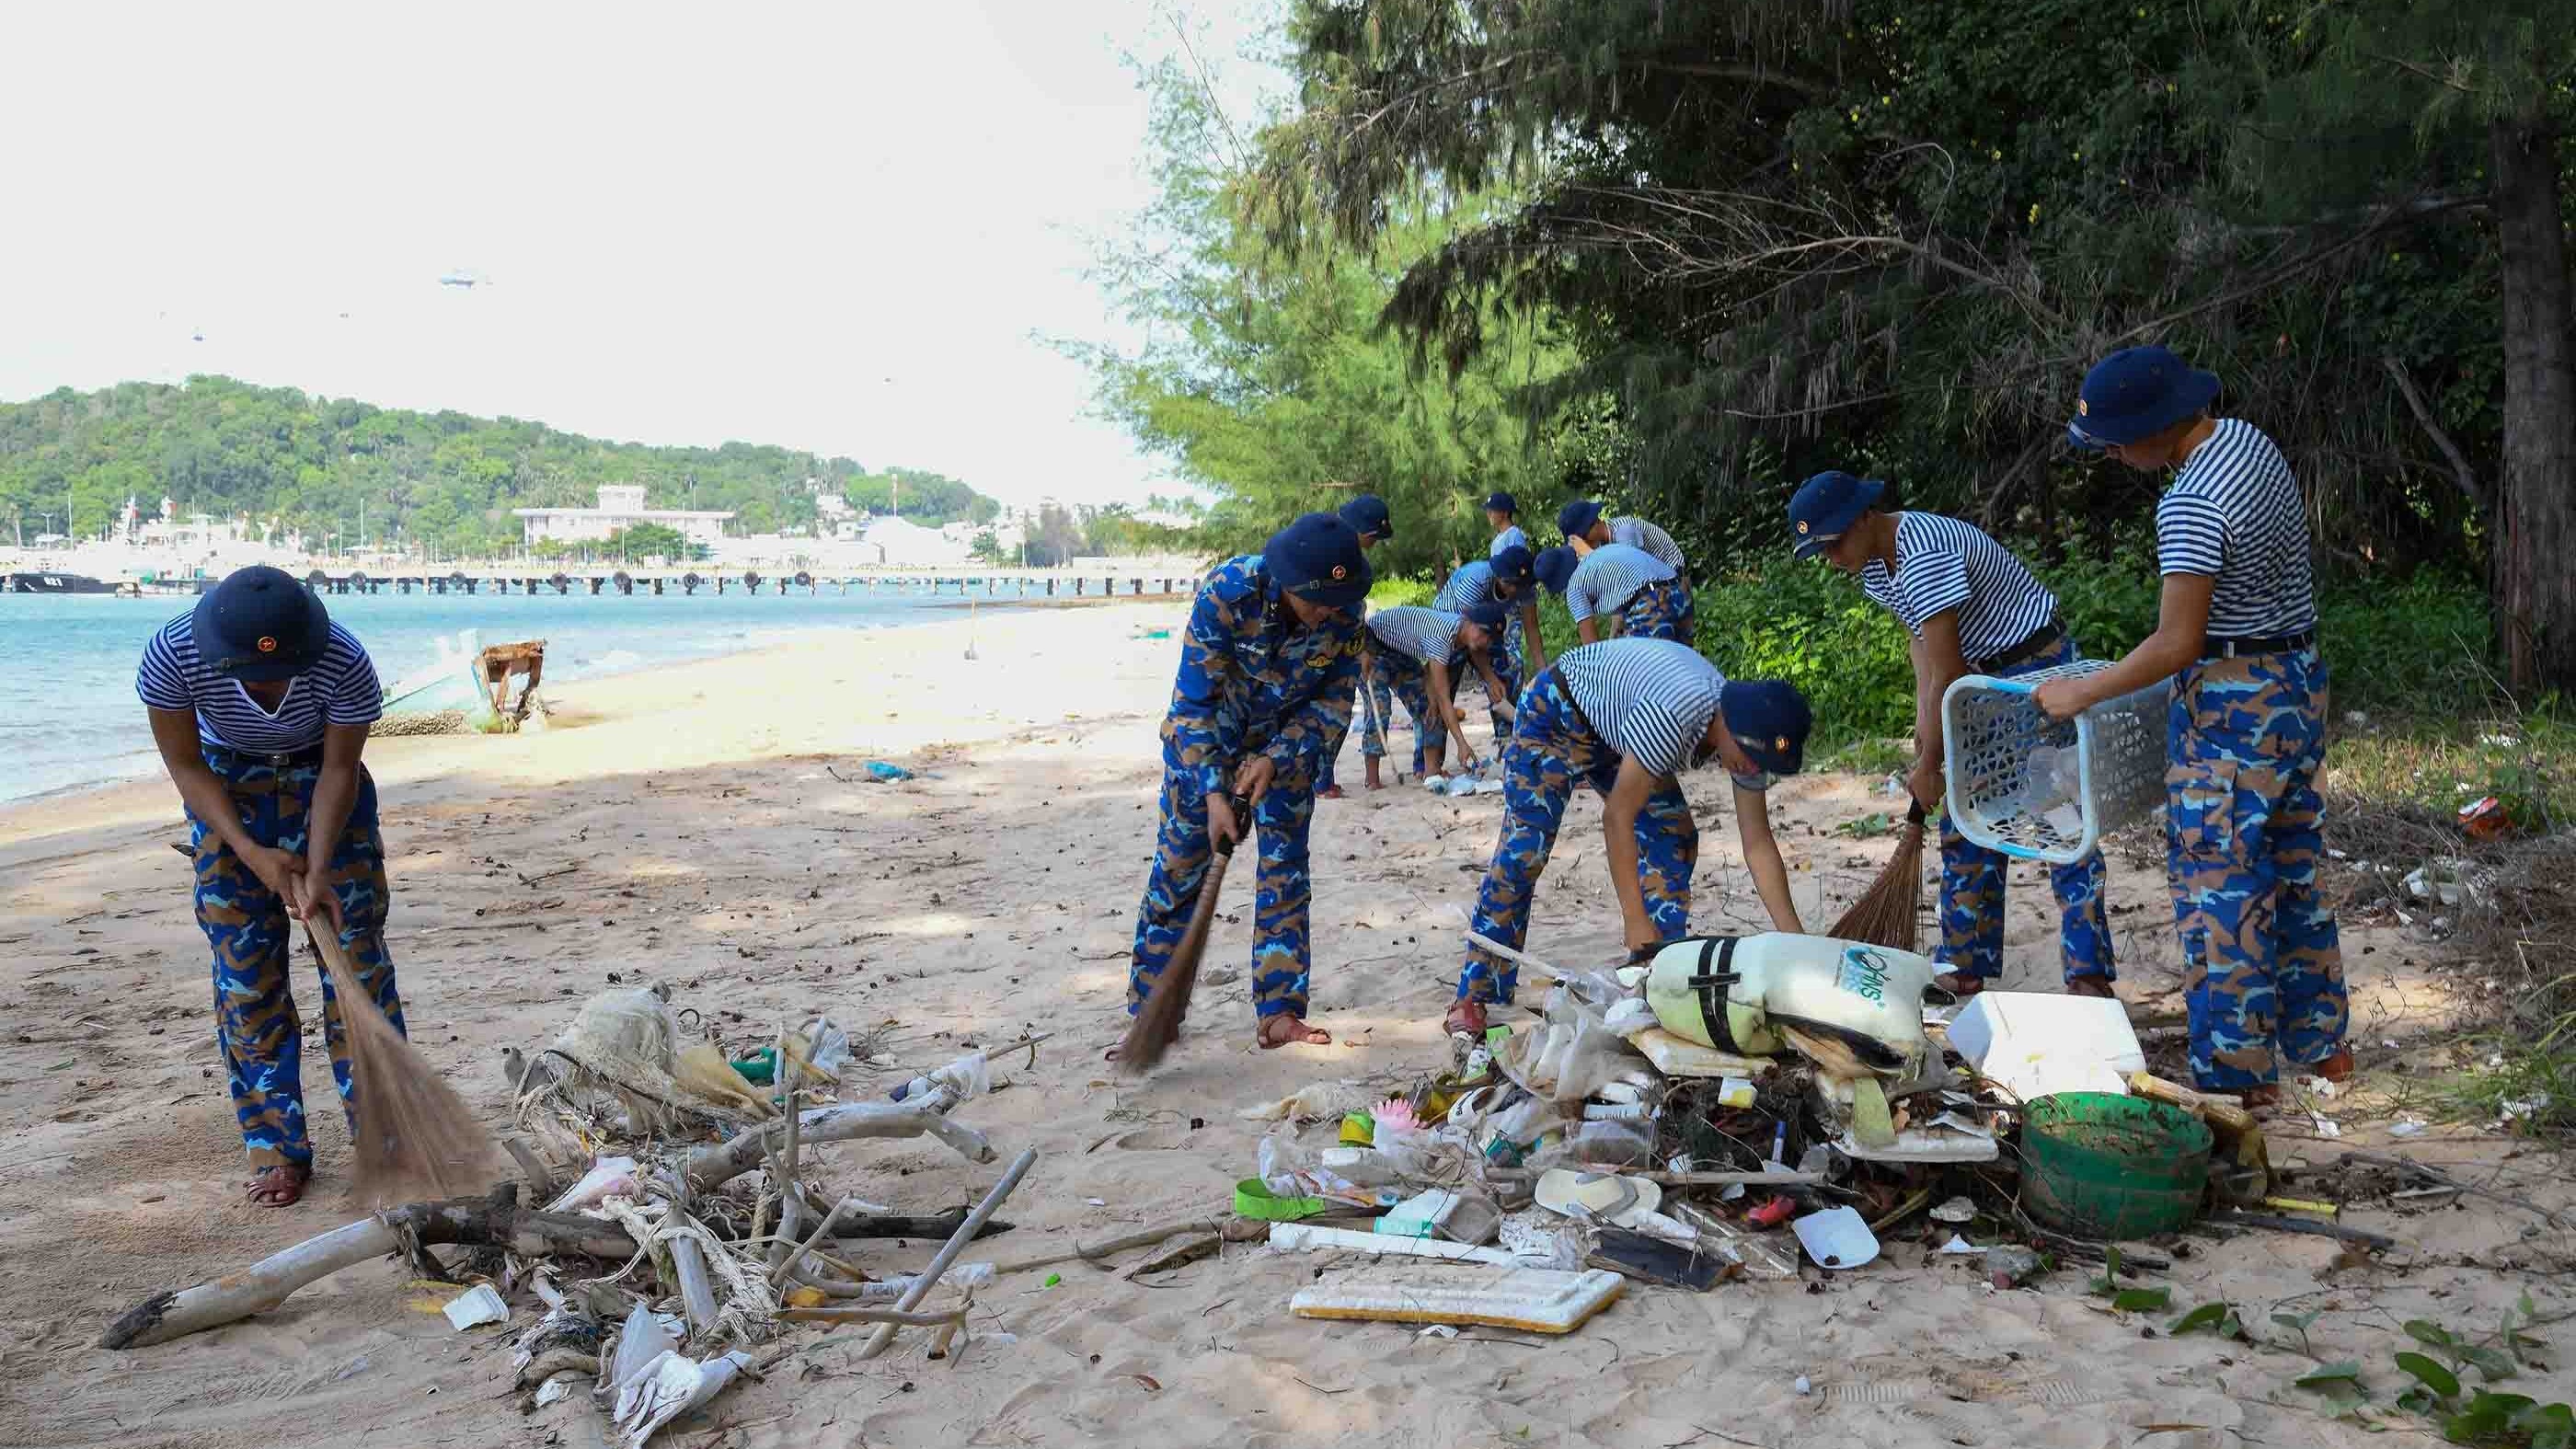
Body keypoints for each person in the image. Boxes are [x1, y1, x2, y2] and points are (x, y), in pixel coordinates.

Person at [2037, 345, 2347, 1104]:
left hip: (2232, 704)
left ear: (2153, 426)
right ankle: (2322, 1047)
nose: (2110, 453)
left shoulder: (2187, 505)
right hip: (2298, 686)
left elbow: (2179, 641)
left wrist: (2088, 691)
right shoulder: (2249, 442)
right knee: (2297, 868)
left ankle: (2238, 1080)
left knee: (2222, 891)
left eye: (2114, 440)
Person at [1789, 470, 2115, 1001]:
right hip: (1978, 679)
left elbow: (1951, 670)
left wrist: (1931, 763)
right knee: (1967, 814)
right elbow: (1925, 654)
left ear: (1865, 517)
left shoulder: (1924, 553)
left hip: (2036, 670)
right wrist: (1925, 730)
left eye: (1833, 544)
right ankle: (1966, 959)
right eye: (1820, 552)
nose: (1831, 559)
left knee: (2059, 814)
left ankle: (2088, 972)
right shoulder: (1878, 569)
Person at [138, 565, 395, 1208]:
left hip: (322, 779)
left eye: (284, 670)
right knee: (246, 977)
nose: (270, 682)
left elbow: (341, 767)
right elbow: (185, 763)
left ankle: (387, 1138)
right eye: (252, 673)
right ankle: (277, 1150)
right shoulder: (173, 655)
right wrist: (252, 853)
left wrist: (319, 862)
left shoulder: (343, 660)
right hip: (226, 786)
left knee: (356, 966)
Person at [1449, 637, 1811, 1036]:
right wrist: (1634, 919)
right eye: (1746, 757)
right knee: (1525, 852)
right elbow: (1618, 817)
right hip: (1556, 711)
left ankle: (1654, 970)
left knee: (1673, 836)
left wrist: (1794, 940)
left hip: (1618, 730)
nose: (1747, 767)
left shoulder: (1749, 741)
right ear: (1727, 724)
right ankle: (1474, 995)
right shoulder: (1675, 715)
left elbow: (1757, 842)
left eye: (1758, 764)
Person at [1123, 512, 1371, 1055]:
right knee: (1179, 875)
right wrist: (1214, 791)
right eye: (1319, 602)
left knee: (1285, 876)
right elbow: (1192, 706)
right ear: (1288, 584)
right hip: (1208, 750)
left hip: (1286, 755)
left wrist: (1278, 758)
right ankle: (1150, 1015)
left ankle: (1280, 1012)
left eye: (1338, 600)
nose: (1330, 611)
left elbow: (1334, 705)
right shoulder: (1228, 594)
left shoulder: (1345, 609)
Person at [1356, 601, 1510, 780]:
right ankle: (1372, 779)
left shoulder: (1459, 632)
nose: (1485, 642)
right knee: (1380, 707)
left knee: (1429, 707)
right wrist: (1462, 744)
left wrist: (1432, 701)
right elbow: (1444, 697)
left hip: (1400, 652)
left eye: (1490, 639)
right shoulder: (1442, 636)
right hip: (1371, 645)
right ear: (1470, 622)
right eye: (1483, 634)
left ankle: (1429, 770)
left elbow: (1431, 670)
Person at [1319, 493, 1397, 797]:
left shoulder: (1353, 560)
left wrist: (1360, 645)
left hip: (1353, 645)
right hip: (1329, 649)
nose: (1374, 543)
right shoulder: (1330, 555)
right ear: (1364, 532)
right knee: (1333, 712)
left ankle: (1360, 778)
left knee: (1354, 707)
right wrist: (1357, 648)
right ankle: (1321, 780)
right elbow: (1334, 612)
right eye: (1375, 537)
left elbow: (1352, 612)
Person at [1432, 543, 1546, 733]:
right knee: (1440, 697)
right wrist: (1488, 677)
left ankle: (1508, 742)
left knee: (1504, 680)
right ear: (1503, 581)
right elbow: (1471, 637)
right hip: (1450, 632)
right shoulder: (1474, 581)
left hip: (1486, 630)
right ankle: (1429, 762)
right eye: (1517, 589)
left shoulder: (1523, 585)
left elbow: (1532, 630)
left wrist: (1545, 675)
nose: (1521, 594)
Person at [1535, 539, 1694, 647]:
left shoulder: (1574, 587)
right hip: (1680, 589)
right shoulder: (1601, 555)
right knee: (1684, 667)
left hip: (1652, 603)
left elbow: (1592, 648)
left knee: (1643, 677)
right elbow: (1623, 612)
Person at [1556, 499, 1686, 579]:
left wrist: (1589, 554)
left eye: (1583, 538)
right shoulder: (1604, 542)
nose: (1584, 544)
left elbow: (1628, 573)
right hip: (1655, 579)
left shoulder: (1624, 531)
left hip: (1673, 576)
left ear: (1594, 524)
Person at [1483, 490, 1529, 558]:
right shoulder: (1496, 541)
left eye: (1492, 511)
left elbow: (1521, 565)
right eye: (1488, 511)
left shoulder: (1515, 535)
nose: (1488, 514)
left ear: (1505, 513)